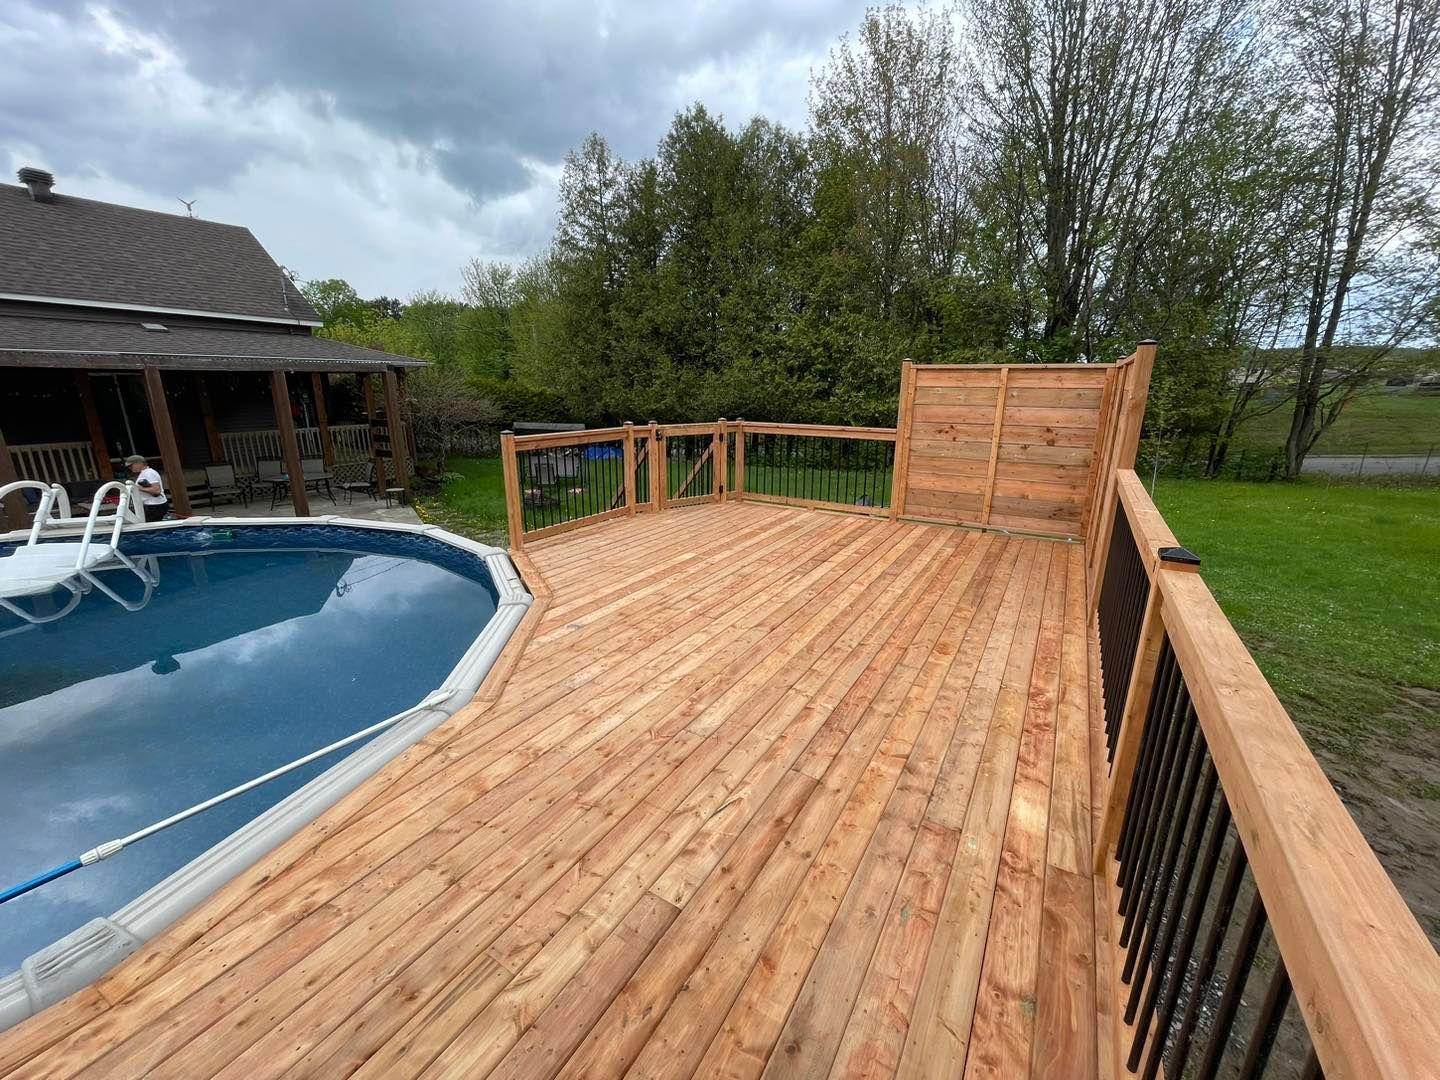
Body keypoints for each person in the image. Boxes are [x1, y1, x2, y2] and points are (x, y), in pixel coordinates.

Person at [125, 454, 169, 522]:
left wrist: (138, 488)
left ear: (139, 463)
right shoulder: (147, 473)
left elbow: (157, 490)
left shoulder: (148, 473)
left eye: (131, 465)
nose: (130, 468)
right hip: (153, 505)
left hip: (154, 506)